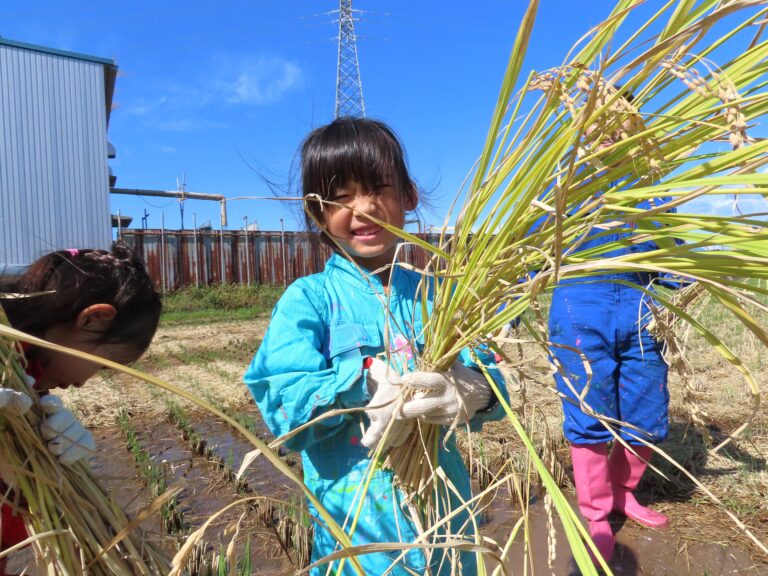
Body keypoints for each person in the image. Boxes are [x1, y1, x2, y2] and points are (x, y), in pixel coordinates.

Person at [244, 117, 507, 575]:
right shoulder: (309, 300)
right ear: (316, 211)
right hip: (357, 537)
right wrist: (359, 385)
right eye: (341, 197)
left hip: (446, 520)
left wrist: (476, 392)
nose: (363, 209)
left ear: (408, 195)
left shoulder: (439, 296)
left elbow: (495, 382)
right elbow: (283, 407)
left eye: (378, 188)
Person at [549, 99, 681, 565]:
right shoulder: (563, 184)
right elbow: (532, 254)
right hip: (580, 314)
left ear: (635, 127)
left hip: (642, 317)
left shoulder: (654, 191)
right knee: (589, 415)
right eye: (597, 122)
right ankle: (597, 514)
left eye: (619, 121)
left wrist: (689, 280)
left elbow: (672, 255)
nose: (609, 132)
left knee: (645, 412)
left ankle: (625, 494)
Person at [0, 243, 162, 575]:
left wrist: (36, 464)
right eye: (103, 366)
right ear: (93, 319)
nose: (85, 383)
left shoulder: (25, 378)